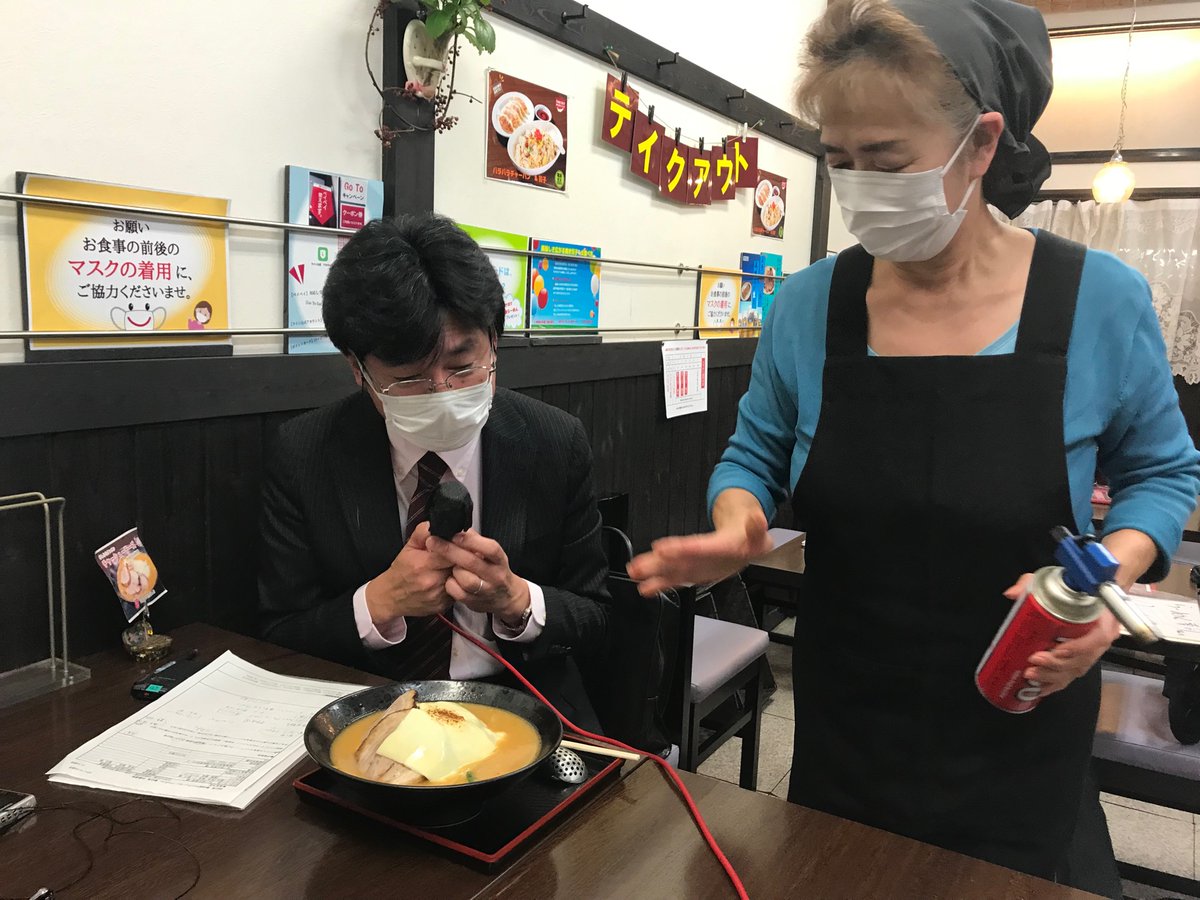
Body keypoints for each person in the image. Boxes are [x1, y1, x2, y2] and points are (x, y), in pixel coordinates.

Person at [628, 1, 1200, 895]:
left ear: (981, 144)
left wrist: (1103, 581)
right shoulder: (809, 306)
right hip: (848, 726)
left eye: (888, 160)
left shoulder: (1097, 299)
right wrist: (739, 521)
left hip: (1024, 710)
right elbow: (752, 456)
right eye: (839, 159)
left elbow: (1162, 474)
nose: (861, 186)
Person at [259, 213, 611, 729]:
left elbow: (597, 614)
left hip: (522, 704)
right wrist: (380, 602)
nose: (443, 391)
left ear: (494, 342)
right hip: (368, 711)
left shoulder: (554, 441)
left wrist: (516, 599)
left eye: (463, 366)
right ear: (358, 370)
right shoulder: (304, 453)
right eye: (409, 379)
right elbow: (279, 632)